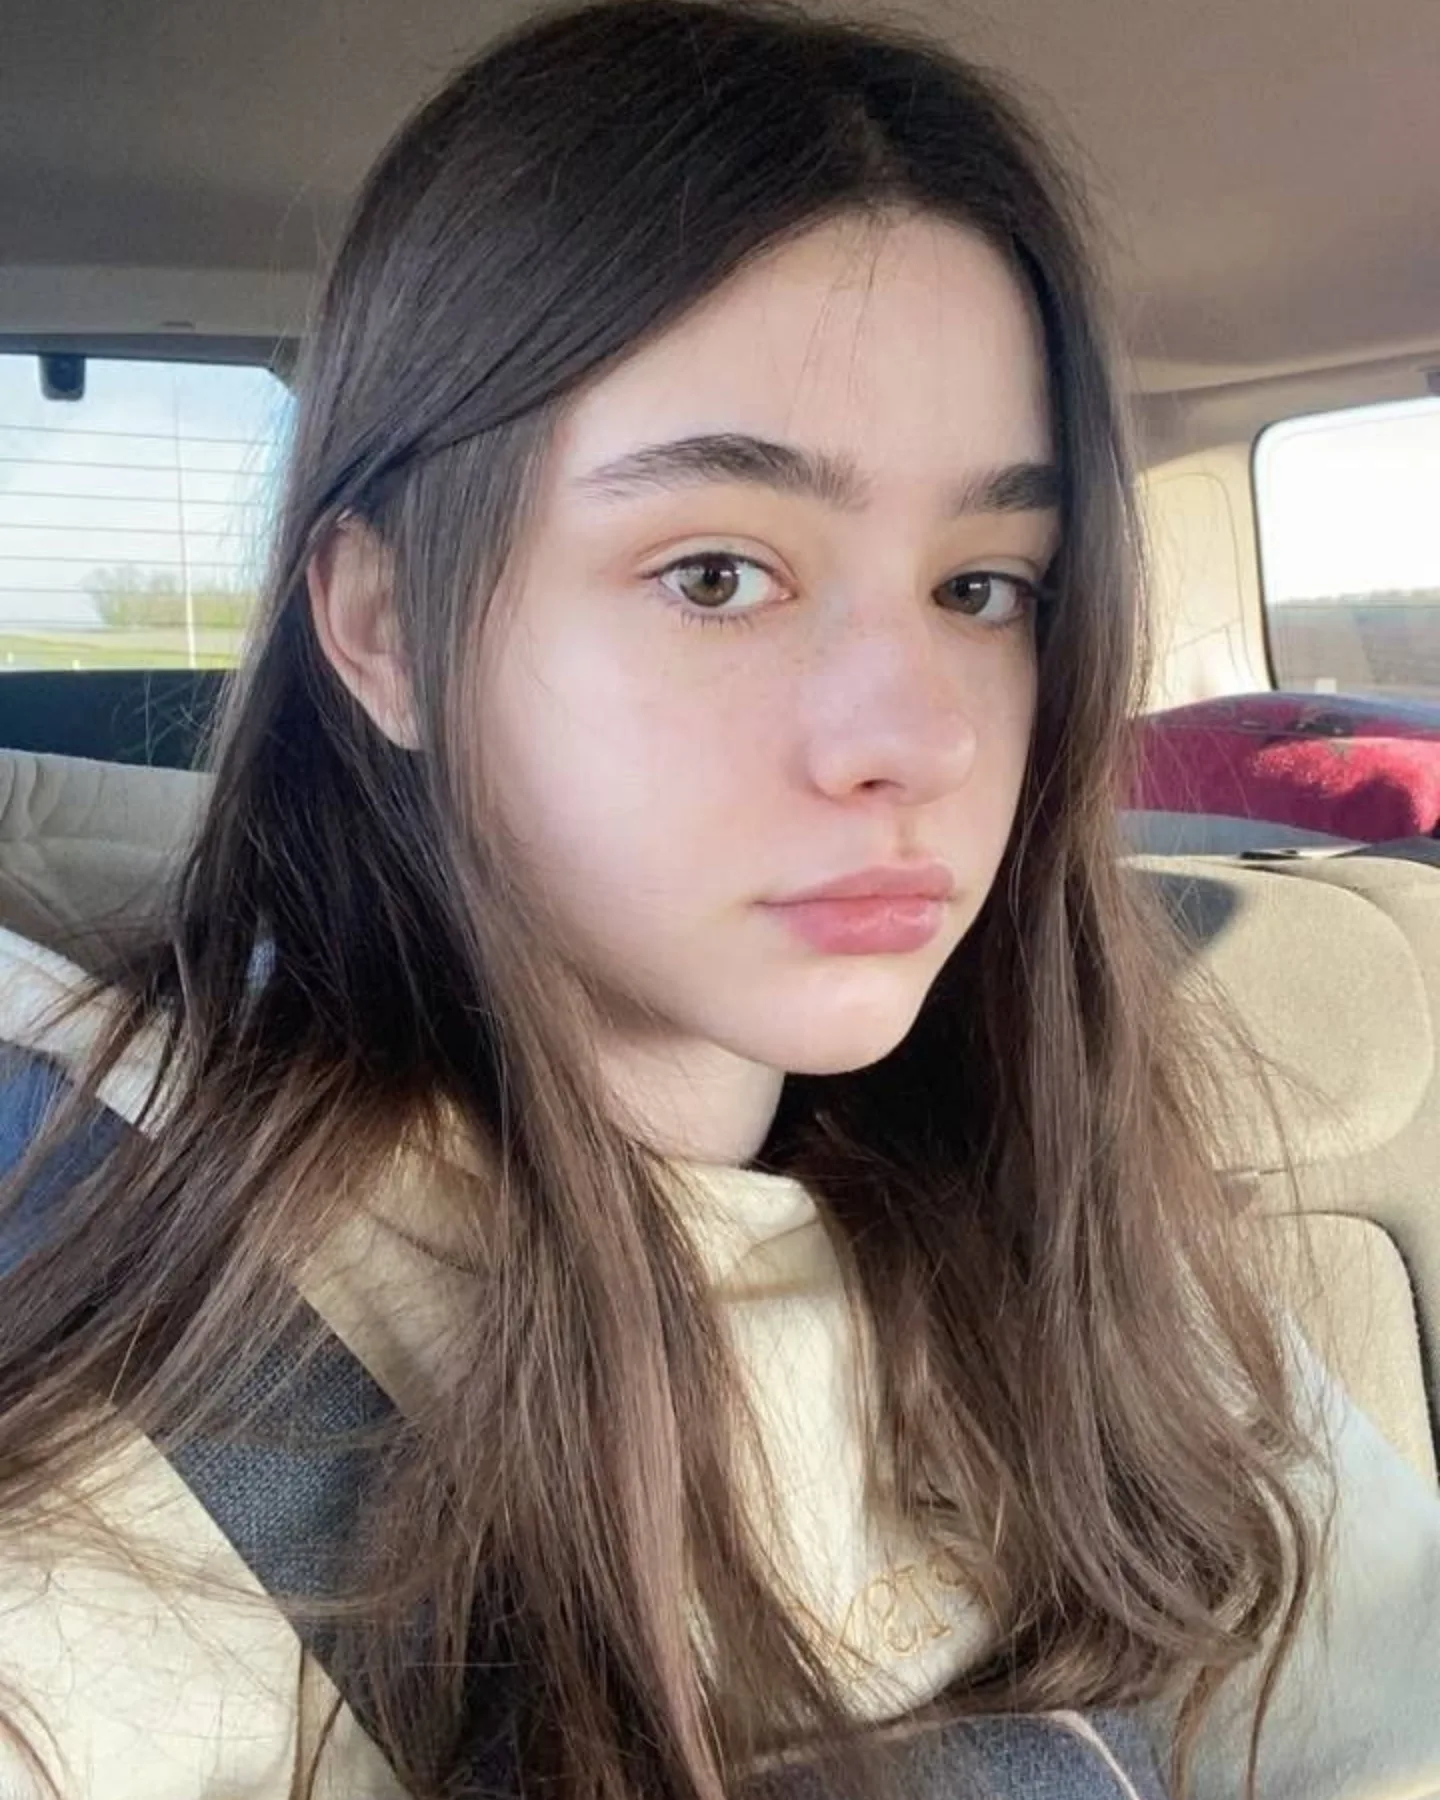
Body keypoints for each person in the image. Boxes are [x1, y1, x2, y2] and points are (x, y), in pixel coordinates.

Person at [0, 2, 1437, 1797]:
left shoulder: (1083, 1228)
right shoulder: (153, 1371)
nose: (918, 736)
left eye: (983, 586)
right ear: (385, 629)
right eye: (714, 574)